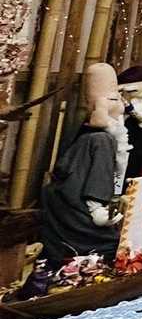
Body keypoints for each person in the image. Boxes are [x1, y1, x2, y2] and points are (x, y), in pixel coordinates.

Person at [40, 64, 127, 263]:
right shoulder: (101, 140)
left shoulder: (98, 136)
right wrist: (96, 208)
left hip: (70, 198)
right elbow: (90, 176)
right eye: (113, 100)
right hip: (74, 201)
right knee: (110, 244)